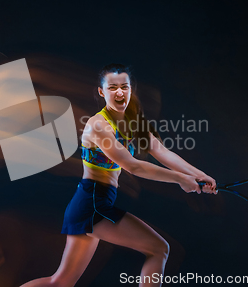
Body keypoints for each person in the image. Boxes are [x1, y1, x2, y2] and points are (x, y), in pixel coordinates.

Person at [20, 64, 217, 287]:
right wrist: (181, 179)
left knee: (60, 282)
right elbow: (133, 166)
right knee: (159, 249)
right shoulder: (98, 125)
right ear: (102, 92)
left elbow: (161, 151)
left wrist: (199, 174)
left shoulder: (133, 121)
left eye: (125, 86)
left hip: (95, 202)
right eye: (113, 87)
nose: (120, 92)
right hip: (92, 203)